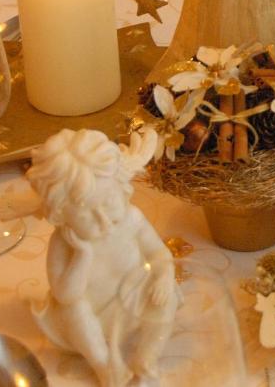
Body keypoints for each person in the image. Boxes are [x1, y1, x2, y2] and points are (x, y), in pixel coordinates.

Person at [27, 127, 178, 387]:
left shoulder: (132, 219)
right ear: (60, 214)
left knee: (170, 293)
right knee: (73, 308)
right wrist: (82, 255)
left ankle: (147, 355)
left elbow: (159, 254)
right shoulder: (64, 243)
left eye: (109, 203)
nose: (104, 221)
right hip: (89, 322)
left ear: (122, 187)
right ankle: (105, 365)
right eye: (86, 215)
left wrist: (164, 277)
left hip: (133, 303)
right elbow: (65, 295)